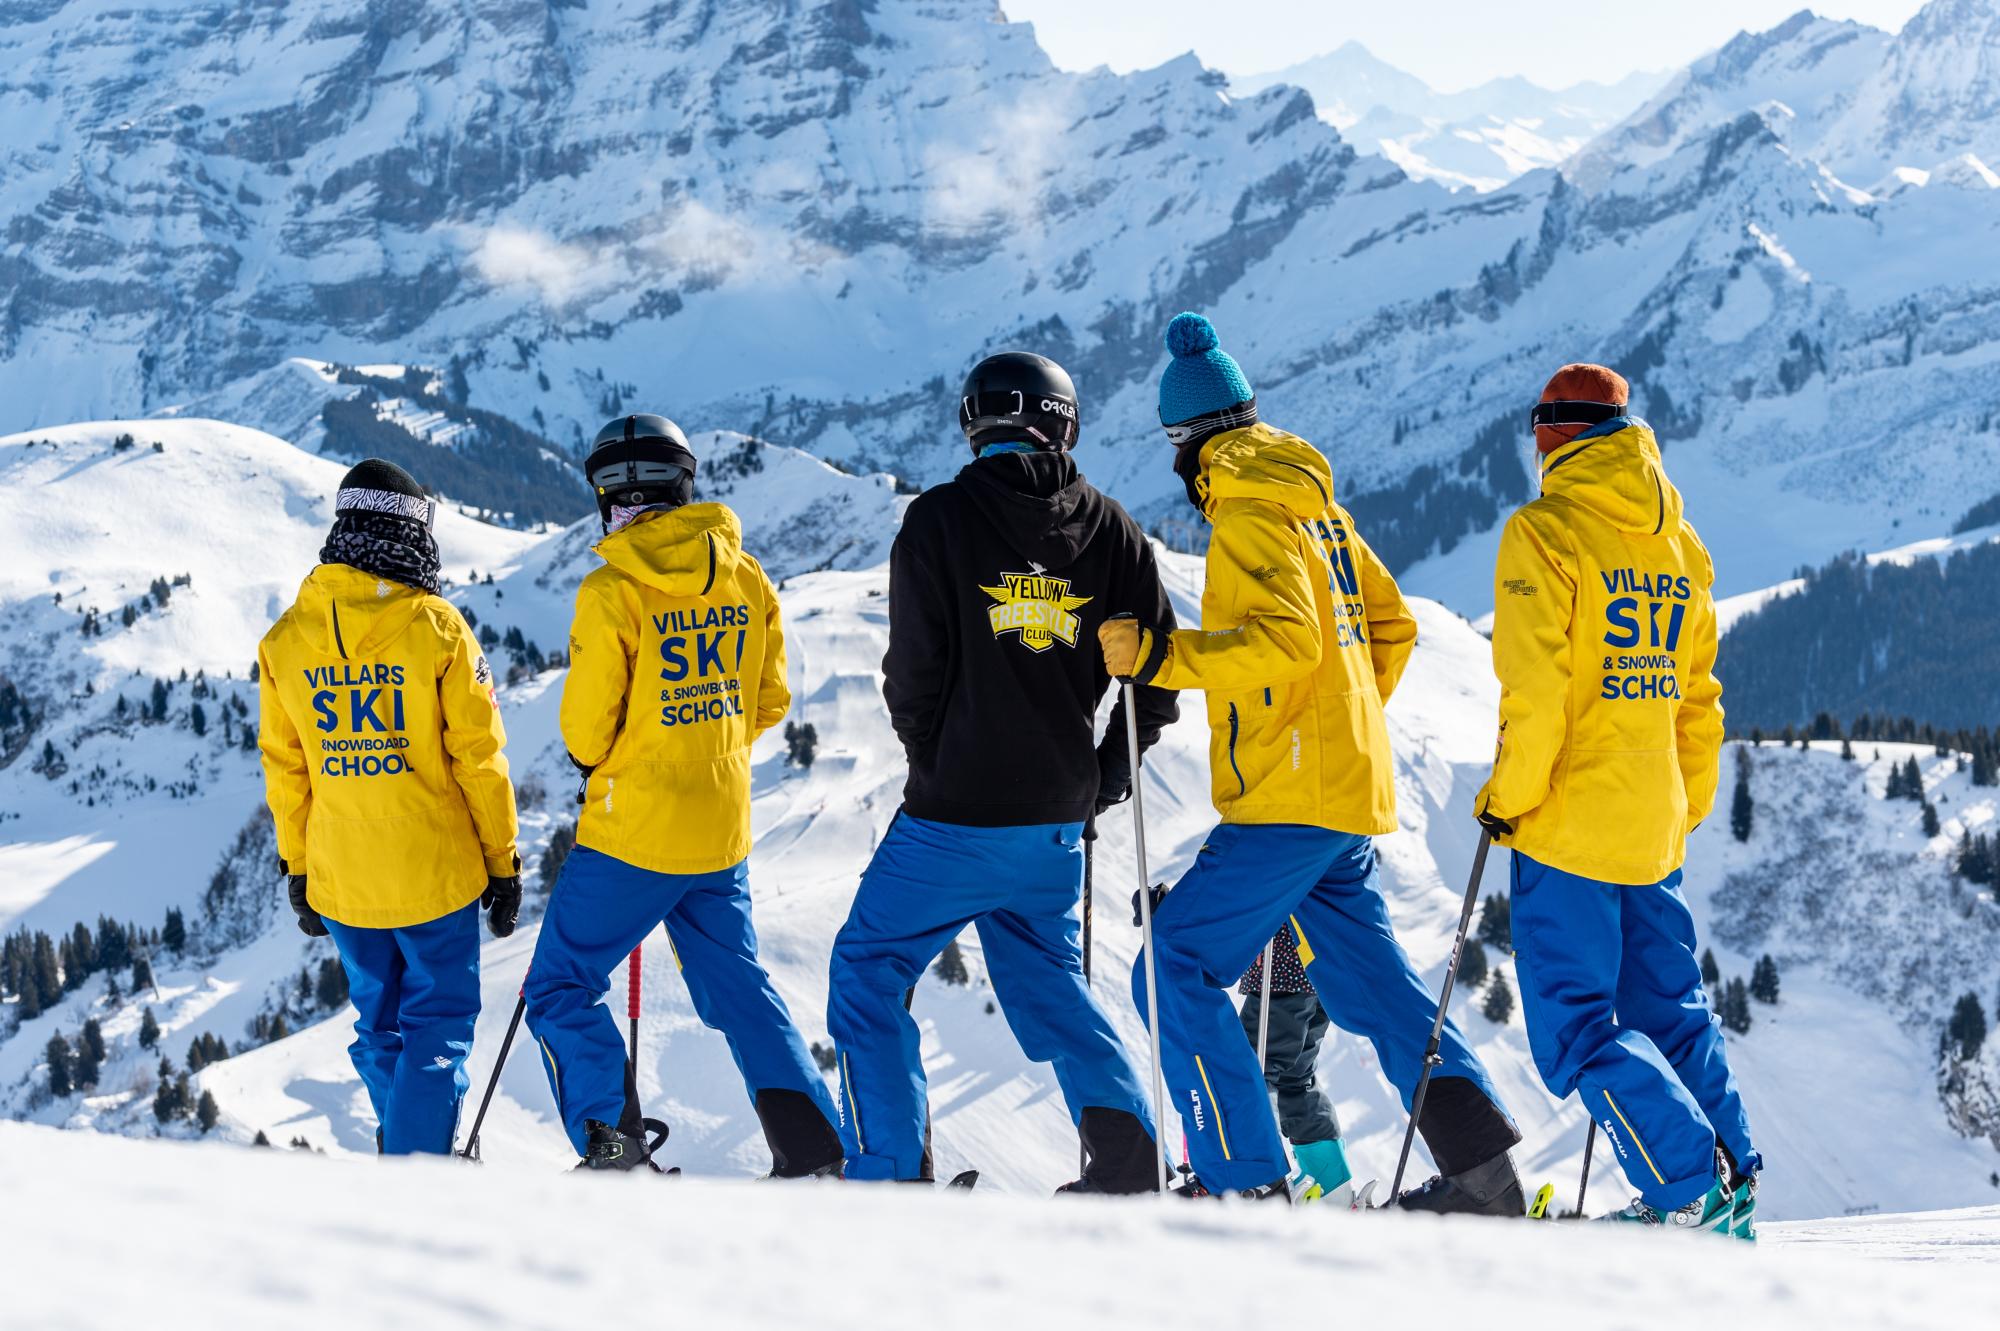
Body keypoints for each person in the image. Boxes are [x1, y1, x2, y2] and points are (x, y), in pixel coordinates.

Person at [1099, 313, 1523, 1210]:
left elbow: (1285, 641)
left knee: (1171, 965)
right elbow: (1393, 624)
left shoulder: (1249, 511)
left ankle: (1245, 1179)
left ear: (1186, 443)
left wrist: (1164, 658)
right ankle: (1485, 1172)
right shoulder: (1315, 506)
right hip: (1344, 791)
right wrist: (1346, 719)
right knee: (1374, 983)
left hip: (1289, 799)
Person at [826, 352, 1179, 1191]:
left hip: (954, 812)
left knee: (868, 970)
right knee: (1051, 985)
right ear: (1064, 422)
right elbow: (1157, 681)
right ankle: (1130, 1168)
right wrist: (1101, 779)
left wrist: (938, 761)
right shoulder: (1114, 530)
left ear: (973, 421)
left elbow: (910, 675)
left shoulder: (939, 521)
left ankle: (888, 1169)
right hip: (1054, 820)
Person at [1474, 364, 1758, 1236]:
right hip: (1653, 824)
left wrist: (1507, 798)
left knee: (1575, 1031)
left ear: (1556, 431)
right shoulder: (1681, 545)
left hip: (1569, 827)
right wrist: (1683, 806)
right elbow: (1699, 698)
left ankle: (1684, 1185)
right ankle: (1733, 1175)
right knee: (1671, 1008)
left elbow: (1538, 692)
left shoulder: (1545, 532)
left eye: (1536, 427)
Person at [523, 414, 844, 1175]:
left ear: (607, 499)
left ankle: (612, 1149)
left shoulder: (612, 589)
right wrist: (706, 747)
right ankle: (816, 1151)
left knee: (560, 985)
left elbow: (586, 733)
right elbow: (767, 699)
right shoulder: (745, 574)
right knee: (738, 986)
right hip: (720, 829)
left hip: (632, 832)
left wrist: (641, 756)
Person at [259, 458, 520, 1155]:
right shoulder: (437, 628)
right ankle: (417, 1169)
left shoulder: (286, 639)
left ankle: (402, 1147)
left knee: (379, 1024)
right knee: (437, 1023)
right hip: (433, 873)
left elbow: (287, 770)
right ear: (411, 534)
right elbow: (480, 756)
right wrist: (502, 861)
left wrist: (298, 867)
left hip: (344, 877)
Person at [1236, 928, 1359, 1206]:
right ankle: (1331, 1188)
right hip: (1323, 964)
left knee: (1253, 1070)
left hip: (1282, 963)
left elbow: (1241, 885)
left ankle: (1256, 1179)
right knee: (1296, 1078)